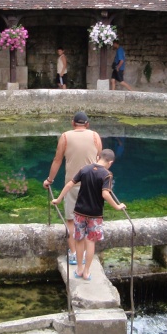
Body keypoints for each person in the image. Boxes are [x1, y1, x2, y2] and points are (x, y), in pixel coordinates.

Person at [51, 149, 125, 281]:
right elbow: (105, 194)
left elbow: (69, 184)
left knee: (79, 240)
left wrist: (58, 199)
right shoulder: (107, 174)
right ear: (111, 162)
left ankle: (79, 269)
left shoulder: (85, 169)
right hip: (95, 215)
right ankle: (86, 272)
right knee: (90, 242)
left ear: (98, 157)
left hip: (79, 212)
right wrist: (117, 206)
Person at [43, 111, 102, 264]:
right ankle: (87, 253)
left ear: (73, 123)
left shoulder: (65, 136)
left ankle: (75, 254)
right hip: (93, 185)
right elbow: (99, 160)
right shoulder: (95, 136)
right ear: (87, 124)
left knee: (71, 220)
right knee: (90, 219)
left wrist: (50, 179)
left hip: (73, 184)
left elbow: (57, 160)